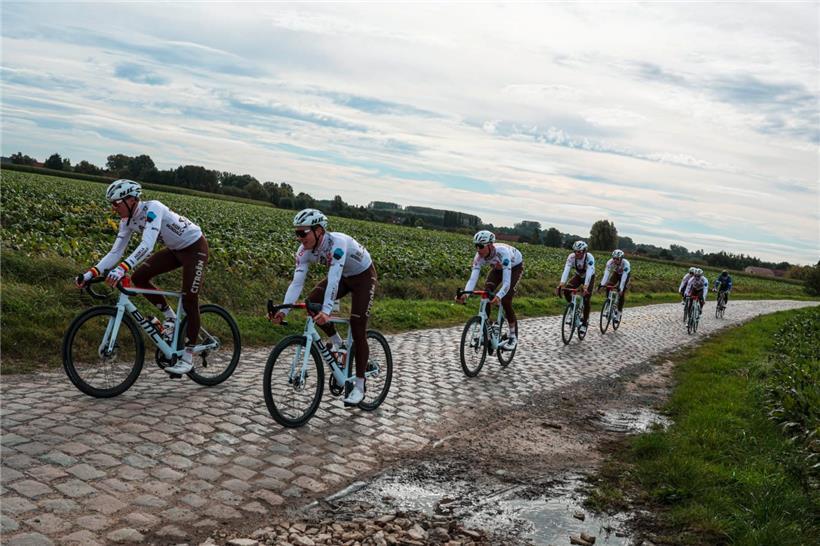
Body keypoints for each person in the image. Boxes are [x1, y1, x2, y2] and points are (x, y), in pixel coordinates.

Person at [75, 179, 208, 375]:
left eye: (116, 203)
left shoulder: (153, 209)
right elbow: (115, 252)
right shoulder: (127, 221)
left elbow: (147, 245)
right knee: (139, 278)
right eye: (111, 204)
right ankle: (171, 318)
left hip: (195, 248)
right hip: (175, 249)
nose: (113, 208)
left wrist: (121, 269)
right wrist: (90, 273)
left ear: (130, 200)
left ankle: (188, 357)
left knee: (189, 298)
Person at [270, 209, 377, 406]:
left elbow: (334, 277)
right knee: (311, 303)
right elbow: (297, 283)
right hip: (345, 277)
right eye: (297, 233)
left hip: (363, 277)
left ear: (319, 230)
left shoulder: (337, 244)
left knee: (357, 324)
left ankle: (360, 386)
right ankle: (338, 343)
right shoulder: (304, 251)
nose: (299, 238)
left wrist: (327, 311)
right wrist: (283, 310)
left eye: (303, 233)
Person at [456, 230, 524, 350]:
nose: (478, 249)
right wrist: (465, 295)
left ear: (490, 245)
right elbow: (472, 279)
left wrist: (499, 296)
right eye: (475, 246)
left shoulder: (503, 253)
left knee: (506, 300)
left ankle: (513, 336)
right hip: (497, 268)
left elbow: (507, 283)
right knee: (486, 292)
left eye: (481, 246)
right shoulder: (478, 257)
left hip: (513, 268)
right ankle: (486, 331)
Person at [556, 241, 595, 336]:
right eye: (575, 251)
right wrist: (561, 284)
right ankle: (572, 309)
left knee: (586, 298)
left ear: (584, 251)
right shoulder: (571, 257)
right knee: (566, 290)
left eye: (579, 251)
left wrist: (586, 286)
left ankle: (584, 323)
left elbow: (589, 272)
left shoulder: (589, 257)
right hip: (578, 276)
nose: (577, 253)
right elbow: (566, 270)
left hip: (589, 277)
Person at [598, 249, 631, 321]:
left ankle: (619, 313)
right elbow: (606, 274)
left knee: (621, 294)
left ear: (621, 258)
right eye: (614, 258)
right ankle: (609, 303)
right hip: (616, 273)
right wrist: (602, 284)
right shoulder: (610, 262)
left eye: (617, 259)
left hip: (625, 275)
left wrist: (621, 288)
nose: (615, 260)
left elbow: (623, 279)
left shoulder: (626, 264)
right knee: (609, 285)